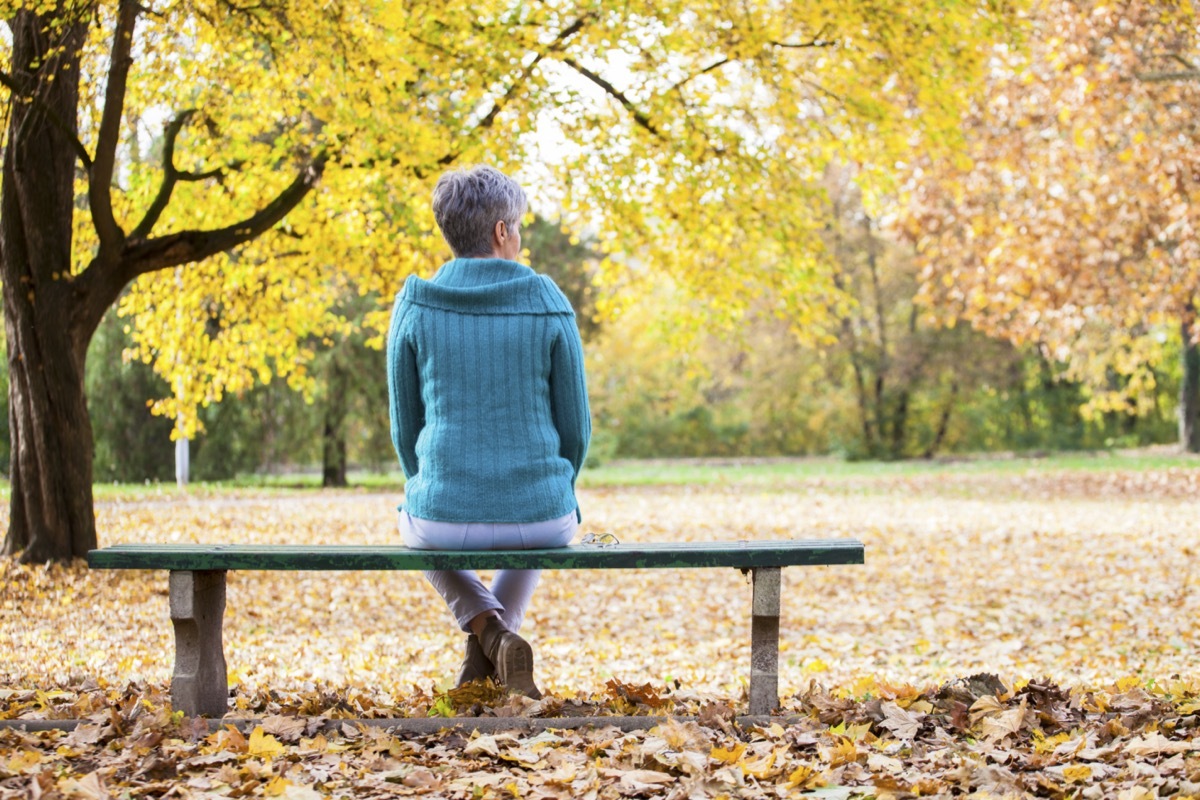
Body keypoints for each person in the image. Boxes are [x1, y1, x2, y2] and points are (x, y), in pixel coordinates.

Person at [386, 166, 591, 699]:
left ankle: (487, 637)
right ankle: (496, 642)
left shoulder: (414, 303)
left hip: (442, 519)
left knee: (412, 523)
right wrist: (556, 488)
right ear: (502, 232)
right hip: (543, 517)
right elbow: (576, 430)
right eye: (518, 227)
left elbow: (405, 428)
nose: (520, 238)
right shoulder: (547, 298)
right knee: (541, 525)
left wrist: (431, 484)